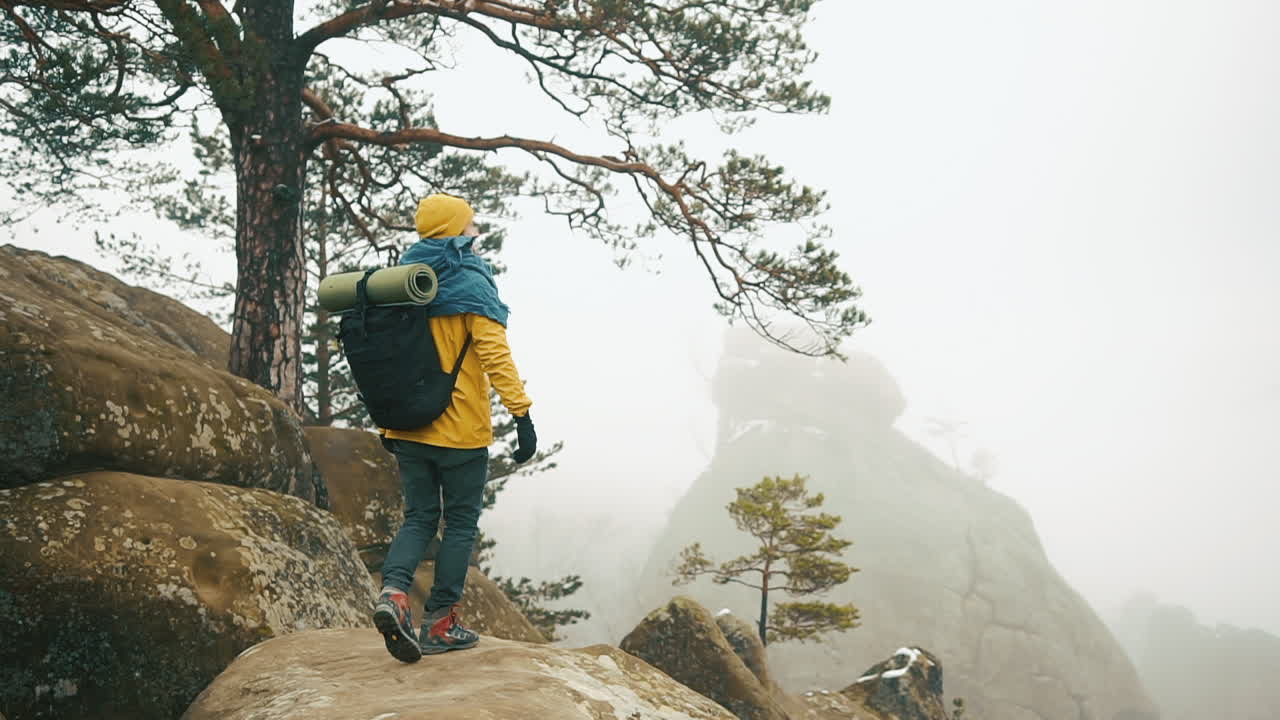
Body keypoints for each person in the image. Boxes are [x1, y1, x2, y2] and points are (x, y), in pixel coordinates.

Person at [371, 193, 537, 663]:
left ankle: (395, 596)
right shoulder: (470, 283)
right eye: (471, 224)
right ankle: (440, 623)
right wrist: (521, 414)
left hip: (407, 427)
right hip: (459, 431)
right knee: (459, 522)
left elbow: (385, 358)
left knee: (419, 517)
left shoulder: (401, 281)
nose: (476, 231)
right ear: (456, 230)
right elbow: (495, 356)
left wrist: (384, 417)